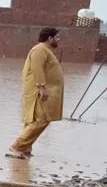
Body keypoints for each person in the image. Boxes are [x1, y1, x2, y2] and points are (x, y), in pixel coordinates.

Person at [6, 28, 64, 159]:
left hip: (42, 89)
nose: (59, 40)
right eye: (57, 37)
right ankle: (17, 146)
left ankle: (25, 148)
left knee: (33, 120)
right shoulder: (40, 50)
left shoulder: (46, 50)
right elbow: (37, 69)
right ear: (50, 38)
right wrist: (42, 87)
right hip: (38, 91)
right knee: (42, 119)